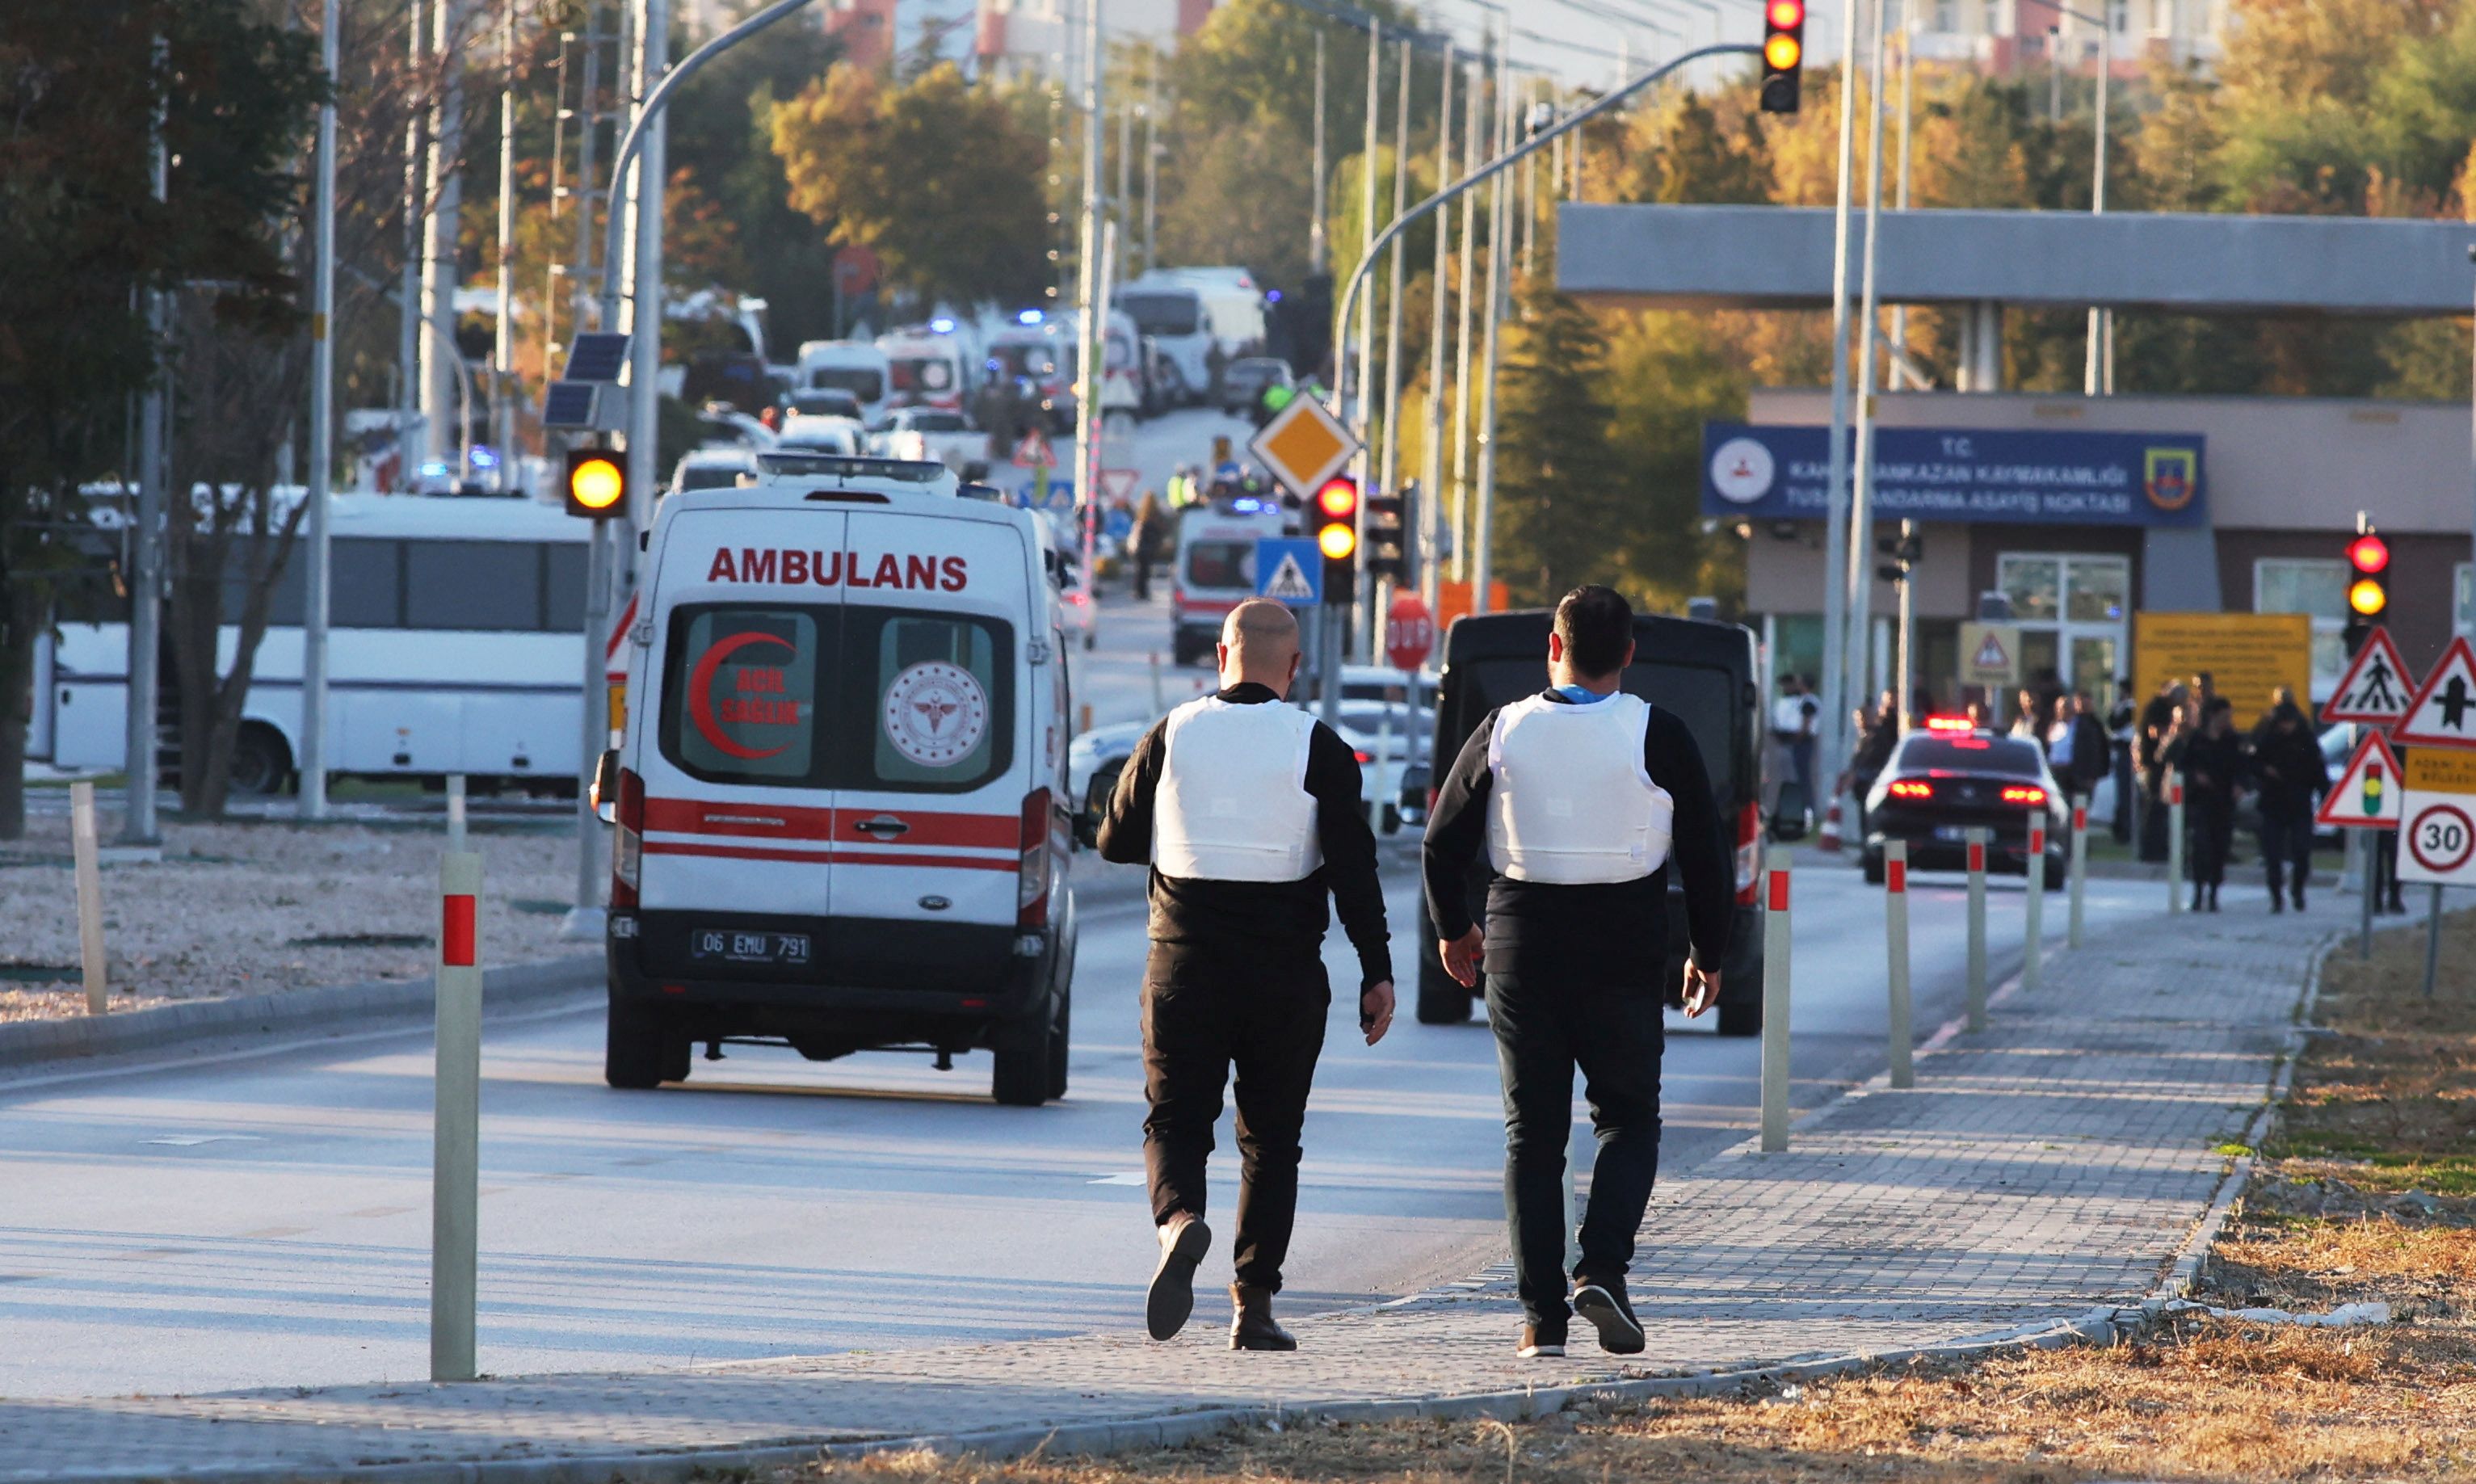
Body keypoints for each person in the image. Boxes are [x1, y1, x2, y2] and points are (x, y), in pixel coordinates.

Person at [1422, 586, 1734, 1360]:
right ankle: (1602, 1268)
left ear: (1551, 646)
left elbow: (1440, 842)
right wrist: (1708, 953)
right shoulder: (1656, 732)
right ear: (1629, 654)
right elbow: (1705, 856)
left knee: (1533, 1135)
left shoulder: (1502, 729)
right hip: (1625, 942)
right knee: (1627, 1118)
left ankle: (1540, 1320)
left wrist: (1454, 929)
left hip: (1521, 940)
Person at [1096, 598, 1394, 1352]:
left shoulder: (1171, 733)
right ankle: (1253, 1306)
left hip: (1182, 966)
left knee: (1174, 1120)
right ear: (1294, 666)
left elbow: (1113, 839)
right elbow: (1355, 870)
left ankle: (1178, 1222)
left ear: (1219, 656)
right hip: (1284, 976)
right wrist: (1377, 969)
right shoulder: (1319, 747)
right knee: (1271, 1141)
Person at [2251, 699, 2328, 912]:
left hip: (2300, 805)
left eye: (2289, 723)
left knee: (2302, 851)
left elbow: (2319, 772)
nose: (2285, 727)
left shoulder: (2306, 741)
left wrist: (2326, 799)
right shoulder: (2269, 739)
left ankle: (2298, 889)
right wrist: (2265, 771)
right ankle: (2276, 896)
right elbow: (2253, 763)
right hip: (2273, 804)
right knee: (2273, 855)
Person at [2167, 697, 2243, 911]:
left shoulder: (2232, 740)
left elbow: (2241, 768)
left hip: (2224, 802)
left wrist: (2239, 785)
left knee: (2220, 848)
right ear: (2212, 716)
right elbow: (2182, 765)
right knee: (2201, 847)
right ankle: (2198, 891)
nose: (2227, 721)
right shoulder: (2197, 739)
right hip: (2201, 801)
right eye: (2223, 717)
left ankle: (2213, 893)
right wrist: (2195, 777)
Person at [2138, 681, 2190, 862]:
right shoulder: (2157, 708)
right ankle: (2151, 849)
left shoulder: (2163, 707)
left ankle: (2163, 847)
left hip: (2163, 765)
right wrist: (2173, 733)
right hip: (2154, 763)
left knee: (2163, 809)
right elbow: (2154, 732)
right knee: (2155, 807)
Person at [1839, 689, 1899, 830]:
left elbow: (1870, 758)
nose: (1859, 722)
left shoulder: (1878, 735)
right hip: (1867, 781)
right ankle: (1868, 846)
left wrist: (1855, 774)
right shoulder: (1866, 736)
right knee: (1867, 817)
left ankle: (1877, 847)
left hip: (1874, 779)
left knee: (1885, 824)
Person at [2045, 692, 2110, 805]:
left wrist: (2091, 776)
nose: (2062, 711)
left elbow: (2094, 752)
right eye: (2059, 708)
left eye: (2065, 708)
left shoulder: (2085, 727)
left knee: (2079, 810)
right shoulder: (2054, 726)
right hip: (2055, 772)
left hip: (2077, 775)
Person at [1129, 490, 1165, 601]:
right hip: (1149, 548)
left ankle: (1140, 592)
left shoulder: (1142, 514)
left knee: (1140, 571)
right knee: (1145, 571)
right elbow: (1160, 531)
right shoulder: (1155, 515)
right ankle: (1143, 592)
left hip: (1140, 549)